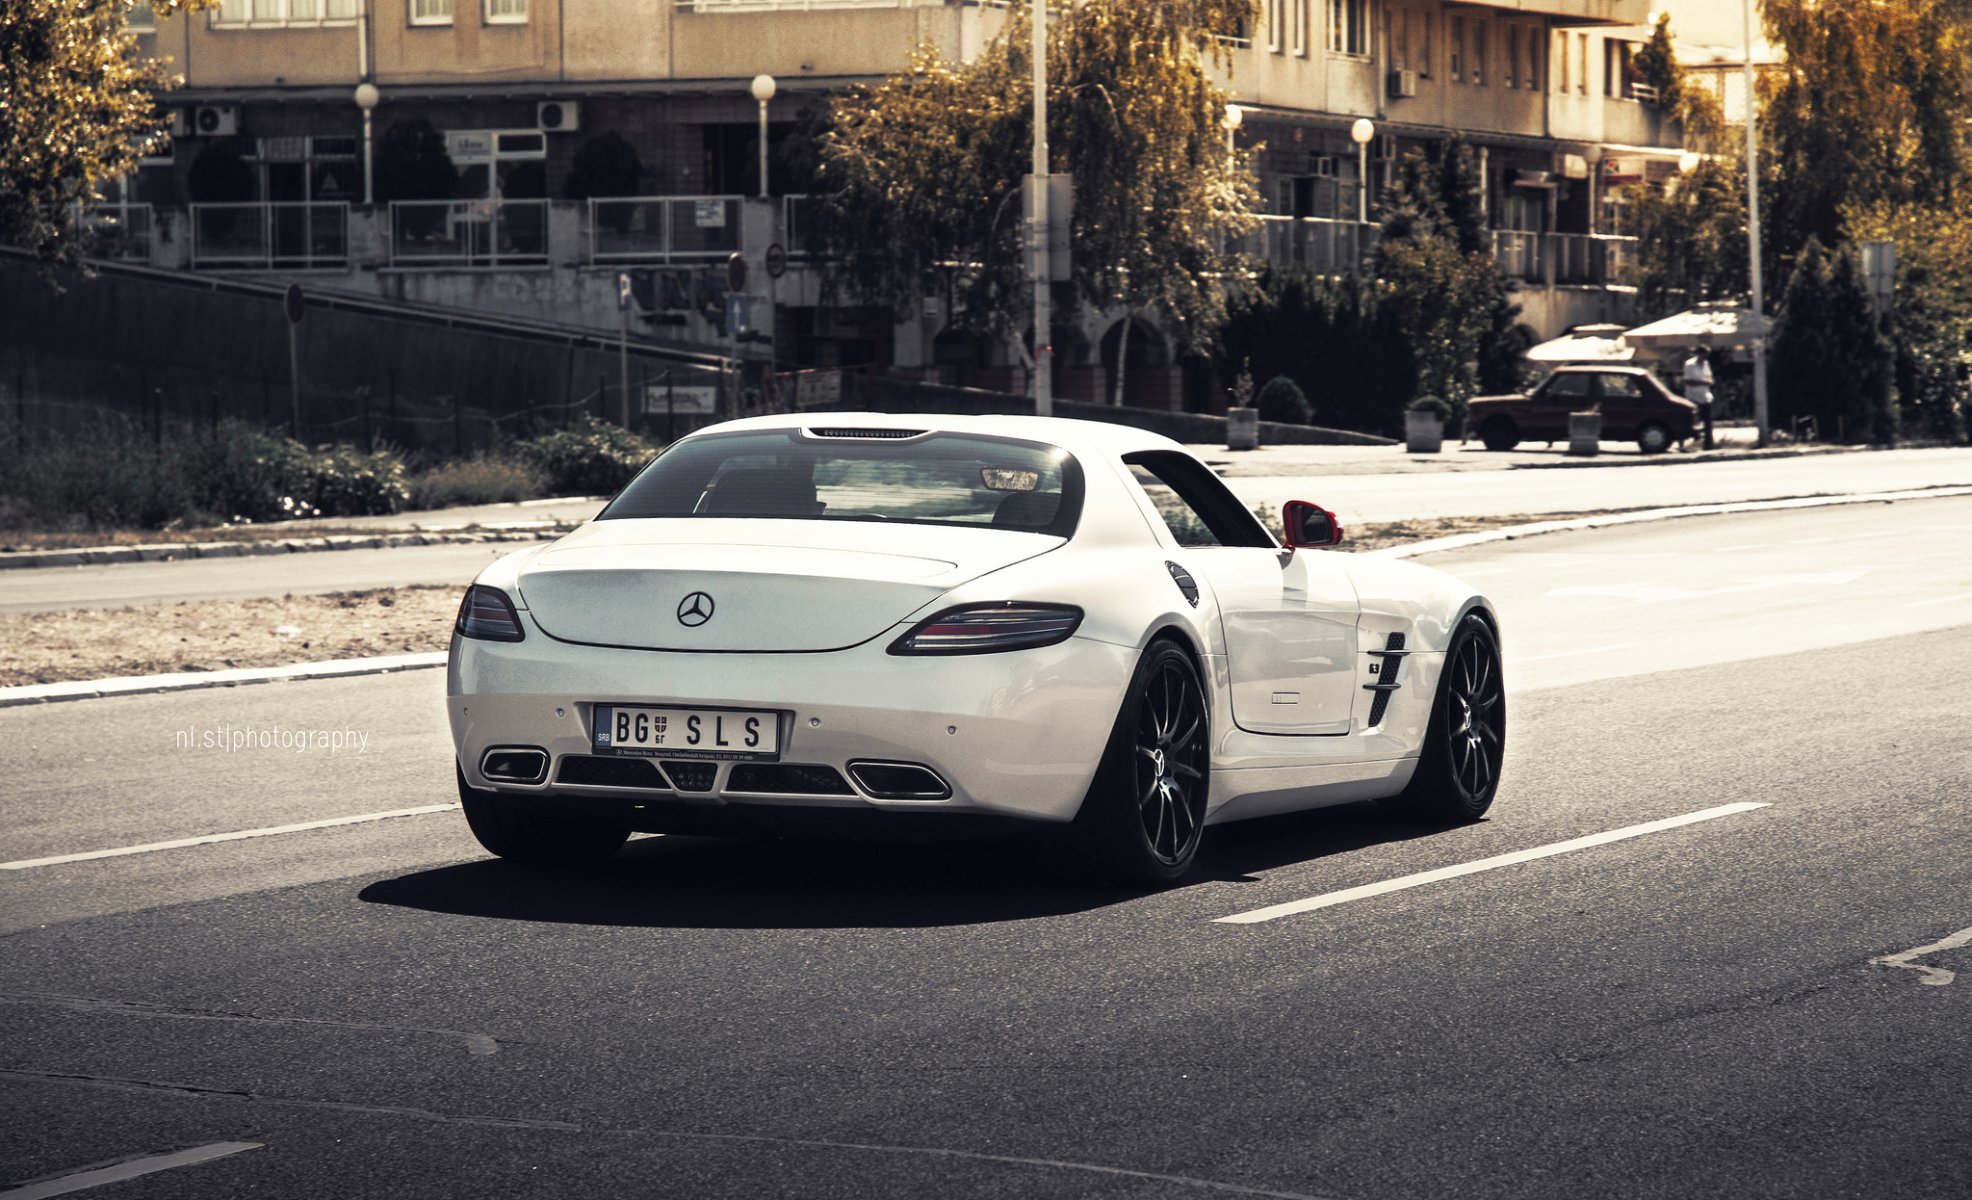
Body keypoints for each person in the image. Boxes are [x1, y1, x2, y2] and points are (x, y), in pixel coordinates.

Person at [1681, 346, 1715, 450]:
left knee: (1708, 422)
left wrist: (1710, 382)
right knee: (1692, 422)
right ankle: (1687, 443)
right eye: (1703, 354)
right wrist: (1703, 382)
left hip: (1705, 396)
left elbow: (1709, 377)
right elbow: (1687, 381)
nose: (1705, 357)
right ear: (1699, 354)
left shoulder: (1706, 364)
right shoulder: (1690, 365)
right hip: (1693, 397)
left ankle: (1708, 444)